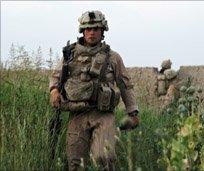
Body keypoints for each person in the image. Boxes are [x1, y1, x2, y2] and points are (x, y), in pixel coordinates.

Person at [49, 10, 139, 170]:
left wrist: (133, 112)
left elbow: (126, 86)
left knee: (104, 157)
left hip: (103, 115)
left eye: (96, 29)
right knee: (76, 163)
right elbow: (56, 76)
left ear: (102, 31)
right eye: (88, 29)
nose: (91, 32)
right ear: (82, 31)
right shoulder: (70, 55)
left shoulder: (113, 57)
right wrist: (54, 91)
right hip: (77, 114)